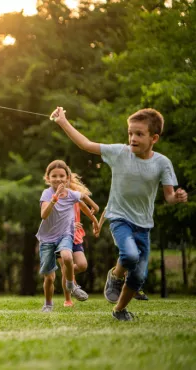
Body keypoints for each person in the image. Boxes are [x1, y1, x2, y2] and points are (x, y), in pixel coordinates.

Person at [51, 107, 187, 320]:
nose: (132, 138)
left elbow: (168, 196)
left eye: (139, 134)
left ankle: (119, 310)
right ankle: (115, 276)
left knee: (139, 276)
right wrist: (63, 121)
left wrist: (177, 197)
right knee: (130, 255)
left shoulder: (162, 163)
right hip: (119, 217)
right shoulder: (119, 153)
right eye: (130, 133)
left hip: (143, 224)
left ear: (154, 138)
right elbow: (86, 144)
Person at [36, 160, 96, 312]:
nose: (58, 179)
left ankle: (70, 285)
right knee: (49, 278)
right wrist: (54, 198)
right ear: (48, 178)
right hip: (47, 239)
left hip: (65, 235)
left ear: (67, 177)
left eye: (62, 175)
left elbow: (83, 197)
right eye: (54, 176)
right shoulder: (47, 194)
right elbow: (44, 215)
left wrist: (95, 210)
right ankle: (48, 304)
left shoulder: (70, 194)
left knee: (68, 258)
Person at [58, 173, 99, 307]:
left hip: (75, 236)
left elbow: (84, 206)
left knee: (82, 265)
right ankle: (68, 300)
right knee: (65, 265)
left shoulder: (74, 195)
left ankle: (68, 276)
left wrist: (95, 221)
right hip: (60, 236)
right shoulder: (55, 197)